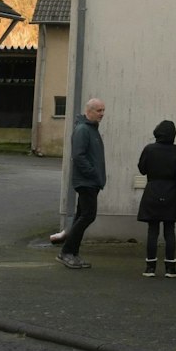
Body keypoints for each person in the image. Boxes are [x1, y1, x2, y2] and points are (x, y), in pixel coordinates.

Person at [136, 119, 176, 278]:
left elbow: (142, 169)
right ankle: (170, 267)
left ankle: (150, 267)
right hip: (171, 191)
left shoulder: (149, 149)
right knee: (169, 230)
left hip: (152, 190)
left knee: (152, 230)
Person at [59, 98, 106, 270]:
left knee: (82, 216)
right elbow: (78, 156)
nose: (102, 114)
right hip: (86, 181)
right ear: (89, 111)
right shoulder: (83, 130)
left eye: (103, 110)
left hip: (90, 181)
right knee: (88, 215)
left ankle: (72, 253)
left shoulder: (91, 130)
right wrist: (93, 173)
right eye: (99, 110)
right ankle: (67, 252)